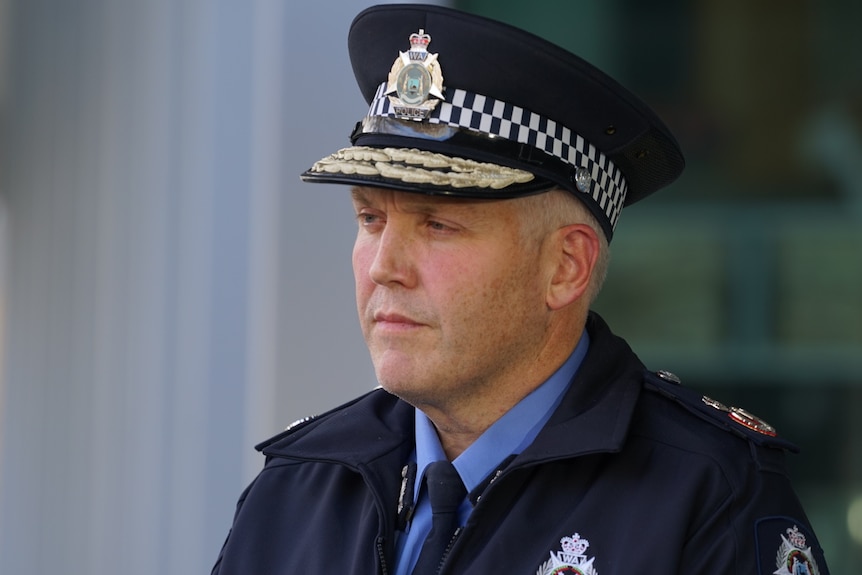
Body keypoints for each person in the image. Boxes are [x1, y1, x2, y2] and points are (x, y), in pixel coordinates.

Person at [212, 4, 830, 574]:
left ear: (565, 266)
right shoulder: (300, 484)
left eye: (438, 225)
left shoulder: (708, 494)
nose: (384, 266)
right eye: (370, 219)